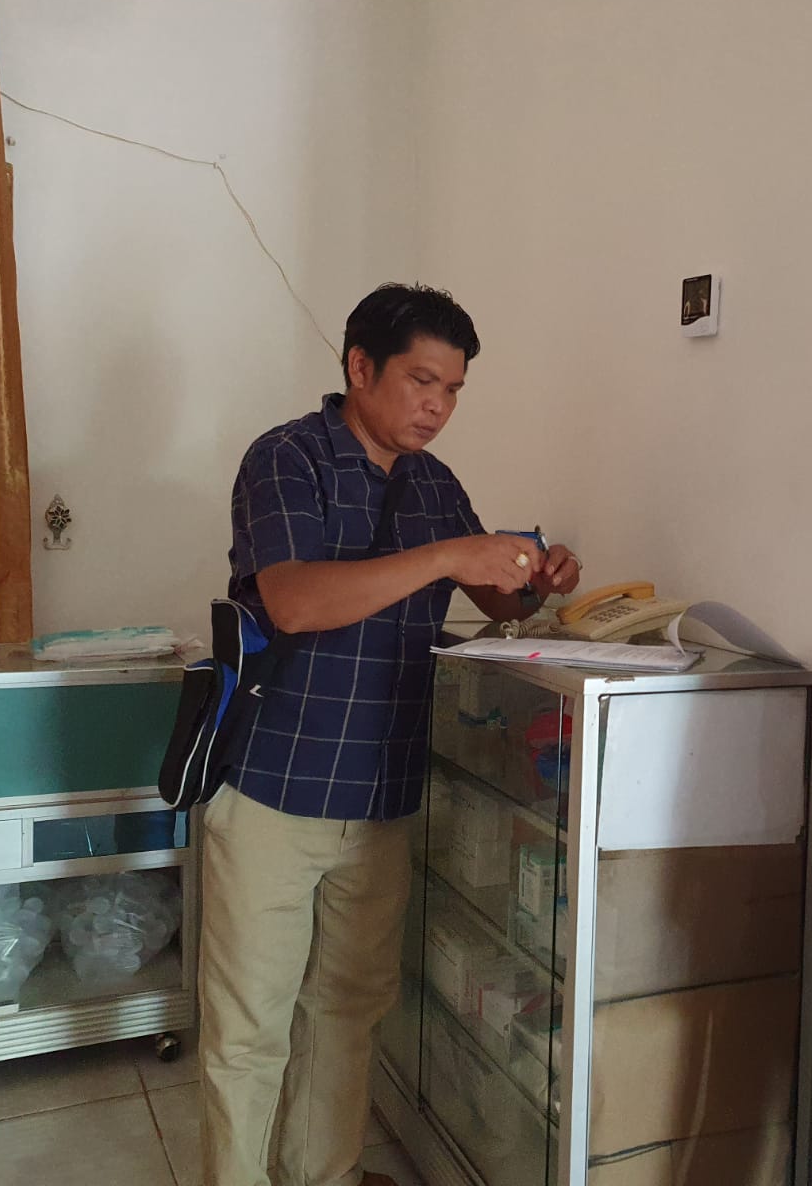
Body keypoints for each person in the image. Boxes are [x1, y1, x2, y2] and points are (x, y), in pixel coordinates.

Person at [199, 282, 581, 1186]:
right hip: (275, 790)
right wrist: (449, 554)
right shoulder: (286, 457)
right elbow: (295, 601)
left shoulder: (434, 484)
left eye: (453, 390)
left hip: (383, 796)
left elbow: (494, 598)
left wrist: (535, 582)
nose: (437, 407)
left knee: (348, 1009)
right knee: (249, 1030)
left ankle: (322, 1175)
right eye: (421, 381)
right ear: (360, 367)